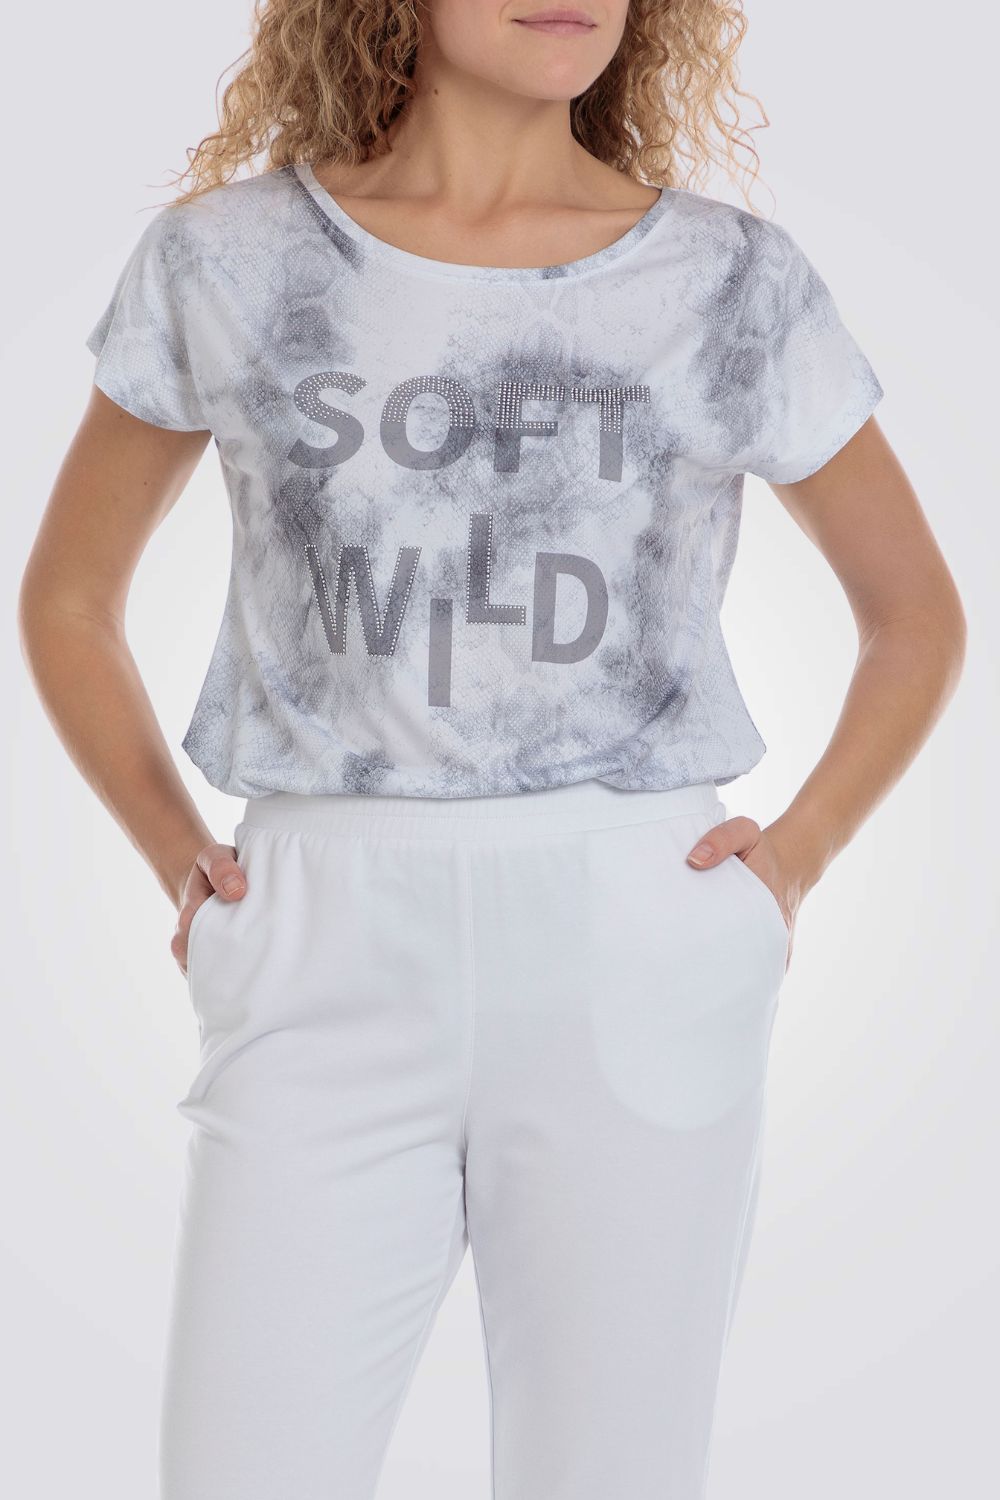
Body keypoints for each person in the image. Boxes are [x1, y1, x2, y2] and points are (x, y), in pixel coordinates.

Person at [17, 2, 966, 1497]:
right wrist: (173, 857)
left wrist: (791, 864)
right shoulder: (230, 262)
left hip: (632, 925)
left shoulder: (729, 281)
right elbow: (68, 599)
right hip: (320, 931)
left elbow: (916, 616)